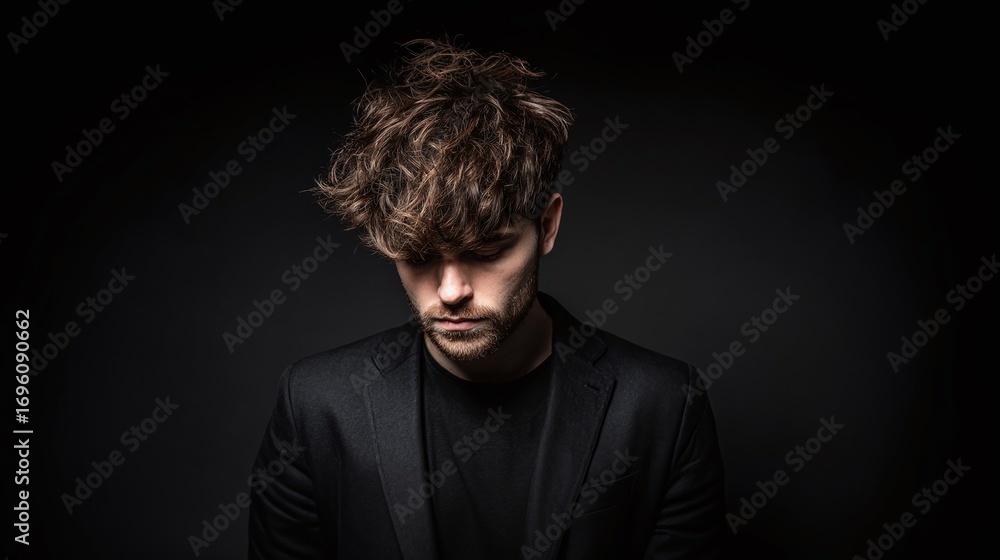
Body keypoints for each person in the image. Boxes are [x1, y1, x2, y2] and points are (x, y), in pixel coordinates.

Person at [248, 37, 725, 560]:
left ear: (546, 227)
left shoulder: (661, 405)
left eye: (487, 250)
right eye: (419, 255)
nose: (452, 291)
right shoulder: (316, 405)